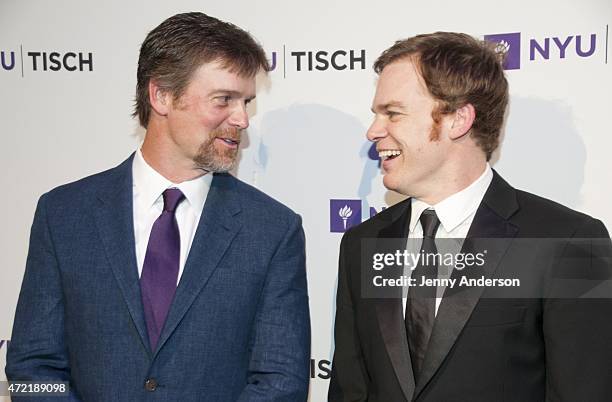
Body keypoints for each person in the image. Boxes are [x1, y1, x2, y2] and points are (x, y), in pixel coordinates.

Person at [6, 12, 310, 401]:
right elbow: (33, 367)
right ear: (161, 95)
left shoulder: (271, 230)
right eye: (225, 100)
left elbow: (279, 382)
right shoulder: (64, 215)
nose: (242, 119)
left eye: (246, 102)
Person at [328, 32, 612, 401]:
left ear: (458, 119)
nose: (373, 131)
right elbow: (351, 389)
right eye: (376, 114)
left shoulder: (570, 242)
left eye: (393, 113)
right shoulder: (361, 244)